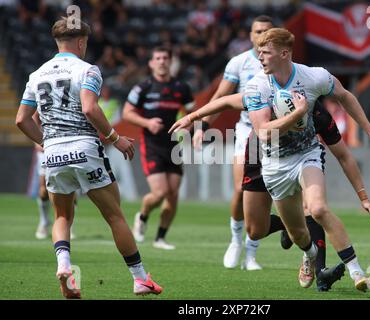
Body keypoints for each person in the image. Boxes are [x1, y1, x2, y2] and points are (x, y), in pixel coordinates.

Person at [170, 93, 370, 291]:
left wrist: (363, 196)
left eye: (300, 120)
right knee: (255, 230)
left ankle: (326, 270)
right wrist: (192, 119)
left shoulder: (317, 112)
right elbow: (227, 100)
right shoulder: (263, 97)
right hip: (260, 153)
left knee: (314, 208)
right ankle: (290, 228)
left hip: (301, 156)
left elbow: (344, 154)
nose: (296, 124)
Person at [15, 17, 162, 299]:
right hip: (85, 147)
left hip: (54, 153)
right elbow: (89, 108)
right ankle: (140, 279)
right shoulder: (88, 70)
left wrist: (46, 143)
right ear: (81, 42)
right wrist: (116, 139)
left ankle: (65, 267)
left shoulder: (37, 74)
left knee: (62, 215)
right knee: (114, 216)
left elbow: (22, 120)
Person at [245, 28, 370, 291]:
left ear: (284, 53)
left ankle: (357, 272)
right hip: (274, 164)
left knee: (317, 208)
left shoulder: (314, 76)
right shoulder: (256, 85)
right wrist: (299, 113)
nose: (260, 56)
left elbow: (345, 95)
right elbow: (263, 133)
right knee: (298, 235)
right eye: (259, 51)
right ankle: (309, 255)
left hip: (307, 155)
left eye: (265, 52)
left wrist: (369, 129)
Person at [193, 15, 274, 271]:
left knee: (266, 195)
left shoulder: (282, 62)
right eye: (257, 30)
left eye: (266, 31)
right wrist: (202, 126)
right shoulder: (239, 62)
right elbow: (220, 96)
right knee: (241, 188)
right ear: (250, 35)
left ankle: (251, 254)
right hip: (247, 132)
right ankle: (236, 240)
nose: (261, 35)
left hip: (275, 135)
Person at [122, 46, 195, 250]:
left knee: (172, 194)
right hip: (152, 144)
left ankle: (160, 238)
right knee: (160, 192)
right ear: (151, 63)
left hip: (173, 145)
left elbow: (192, 113)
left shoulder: (182, 87)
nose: (162, 61)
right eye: (158, 58)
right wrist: (147, 123)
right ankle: (143, 215)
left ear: (170, 62)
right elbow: (127, 113)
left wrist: (190, 127)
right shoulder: (143, 87)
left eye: (165, 58)